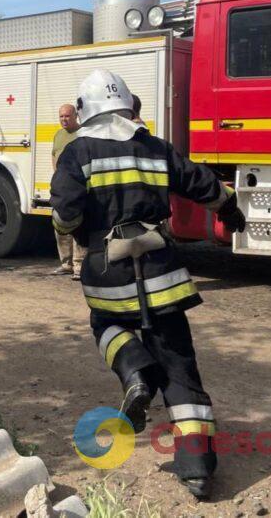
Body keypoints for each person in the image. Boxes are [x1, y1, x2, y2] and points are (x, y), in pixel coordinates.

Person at [50, 69, 246, 499]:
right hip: (162, 270)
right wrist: (231, 213)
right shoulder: (156, 148)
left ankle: (135, 370)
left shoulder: (77, 152)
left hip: (108, 272)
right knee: (180, 367)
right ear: (128, 104)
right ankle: (197, 467)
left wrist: (78, 228)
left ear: (84, 110)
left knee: (106, 326)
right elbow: (205, 185)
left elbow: (65, 214)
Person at [51, 103, 85, 279]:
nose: (64, 119)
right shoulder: (58, 135)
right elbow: (54, 155)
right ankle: (66, 264)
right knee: (61, 226)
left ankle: (79, 267)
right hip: (61, 188)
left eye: (67, 116)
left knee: (78, 227)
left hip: (77, 188)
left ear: (76, 116)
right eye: (61, 116)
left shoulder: (83, 134)